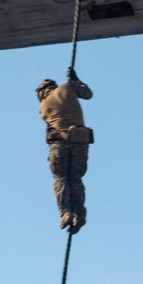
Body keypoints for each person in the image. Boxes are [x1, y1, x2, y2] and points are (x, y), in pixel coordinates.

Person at [37, 72, 94, 233]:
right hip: (79, 140)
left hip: (59, 145)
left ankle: (66, 213)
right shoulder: (67, 87)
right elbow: (88, 94)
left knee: (61, 179)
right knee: (76, 179)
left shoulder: (43, 107)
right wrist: (76, 80)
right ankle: (80, 214)